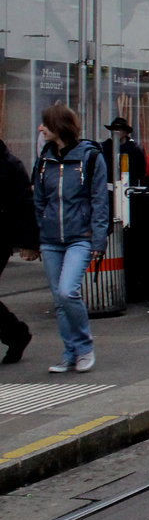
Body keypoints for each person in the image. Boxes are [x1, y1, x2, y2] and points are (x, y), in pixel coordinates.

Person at [32, 104, 108, 372]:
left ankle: (84, 346)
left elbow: (100, 200)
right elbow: (39, 198)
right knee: (59, 300)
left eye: (45, 124)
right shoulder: (44, 159)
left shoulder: (90, 157)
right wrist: (42, 229)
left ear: (58, 126)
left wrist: (98, 239)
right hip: (52, 238)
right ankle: (70, 352)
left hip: (80, 236)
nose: (41, 128)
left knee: (68, 291)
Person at [0, 137, 39, 364]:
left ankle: (16, 334)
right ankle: (15, 334)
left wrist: (29, 242)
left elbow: (25, 205)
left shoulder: (10, 165)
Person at [99, 116, 147, 187]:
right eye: (113, 129)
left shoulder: (135, 149)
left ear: (125, 132)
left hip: (128, 188)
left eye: (118, 129)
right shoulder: (104, 148)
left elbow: (141, 171)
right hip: (108, 188)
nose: (115, 132)